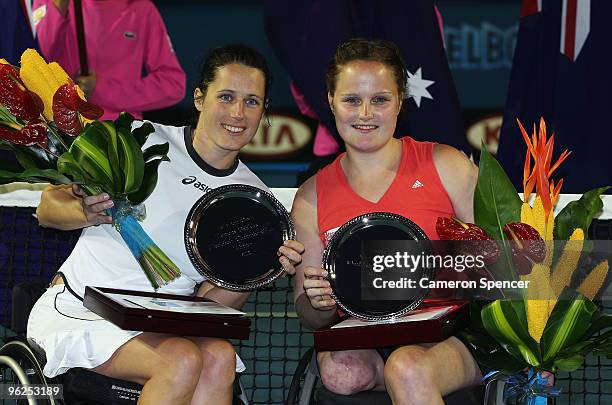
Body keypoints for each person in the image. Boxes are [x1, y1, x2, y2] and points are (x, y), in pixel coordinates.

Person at [28, 44, 304, 405]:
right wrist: (87, 213)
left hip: (165, 324)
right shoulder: (140, 139)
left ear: (264, 110)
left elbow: (211, 303)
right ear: (200, 98)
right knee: (182, 362)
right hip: (83, 309)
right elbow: (48, 208)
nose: (238, 113)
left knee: (219, 357)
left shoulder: (254, 198)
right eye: (226, 96)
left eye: (252, 101)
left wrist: (256, 271)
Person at [291, 38, 481, 404]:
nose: (365, 113)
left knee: (408, 367)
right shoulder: (311, 196)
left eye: (379, 99)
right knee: (339, 372)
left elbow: (508, 263)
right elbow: (309, 313)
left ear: (400, 102)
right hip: (366, 338)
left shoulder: (447, 165)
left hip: (453, 337)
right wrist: (319, 303)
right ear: (331, 101)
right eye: (351, 100)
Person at [32, 0, 186, 120]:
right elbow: (37, 56)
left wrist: (101, 90)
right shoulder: (48, 3)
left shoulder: (142, 9)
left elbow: (173, 84)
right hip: (60, 132)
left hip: (120, 136)